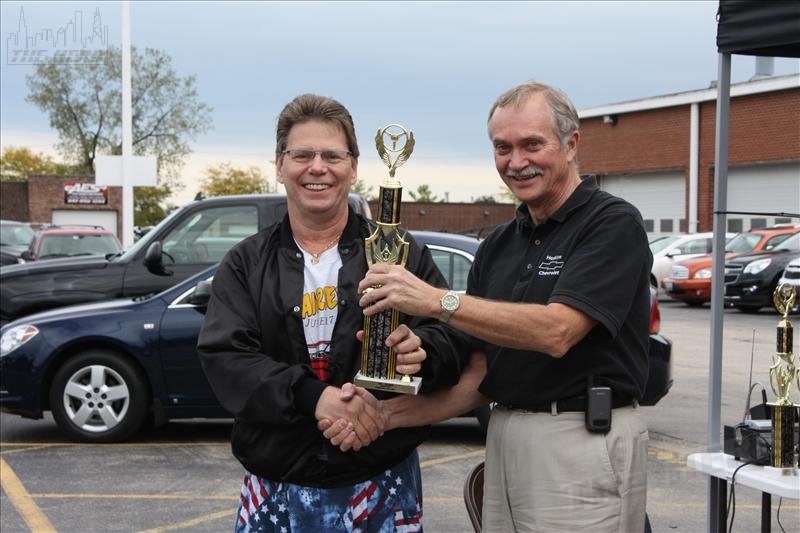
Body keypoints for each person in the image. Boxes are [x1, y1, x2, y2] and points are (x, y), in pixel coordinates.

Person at [323, 81, 653, 532]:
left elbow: (557, 332)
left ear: (571, 143)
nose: (516, 162)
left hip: (580, 441)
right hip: (503, 434)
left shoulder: (611, 224)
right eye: (503, 148)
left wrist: (436, 301)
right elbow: (480, 378)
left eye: (532, 144)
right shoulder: (499, 245)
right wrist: (383, 415)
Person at [196, 93, 469, 532]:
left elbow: (453, 338)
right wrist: (314, 398)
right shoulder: (246, 263)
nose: (317, 167)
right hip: (276, 487)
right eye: (302, 154)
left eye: (332, 155)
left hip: (380, 480)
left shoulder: (399, 252)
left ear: (354, 166)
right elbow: (226, 358)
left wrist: (424, 354)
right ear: (280, 165)